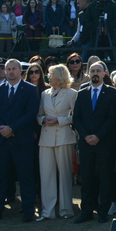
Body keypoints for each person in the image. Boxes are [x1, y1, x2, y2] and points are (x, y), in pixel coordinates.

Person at [0, 58, 41, 223]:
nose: (10, 72)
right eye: (8, 69)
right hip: (0, 140)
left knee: (25, 177)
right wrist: (2, 127)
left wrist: (12, 128)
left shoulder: (30, 89)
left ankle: (28, 210)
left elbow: (30, 113)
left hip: (22, 141)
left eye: (13, 69)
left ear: (20, 71)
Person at [72, 62, 116, 224]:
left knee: (105, 178)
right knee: (87, 179)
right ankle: (87, 211)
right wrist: (86, 136)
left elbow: (112, 118)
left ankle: (103, 211)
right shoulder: (82, 93)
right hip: (86, 144)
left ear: (104, 73)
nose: (95, 73)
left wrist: (98, 136)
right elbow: (76, 118)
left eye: (98, 71)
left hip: (104, 143)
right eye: (92, 71)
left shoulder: (112, 92)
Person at [36, 64, 77, 221]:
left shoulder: (72, 93)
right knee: (46, 175)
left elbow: (75, 116)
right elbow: (38, 115)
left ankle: (66, 209)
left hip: (64, 138)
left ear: (59, 77)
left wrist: (59, 120)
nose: (49, 77)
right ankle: (48, 211)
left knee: (65, 174)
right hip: (46, 138)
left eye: (51, 74)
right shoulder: (44, 94)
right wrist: (43, 120)